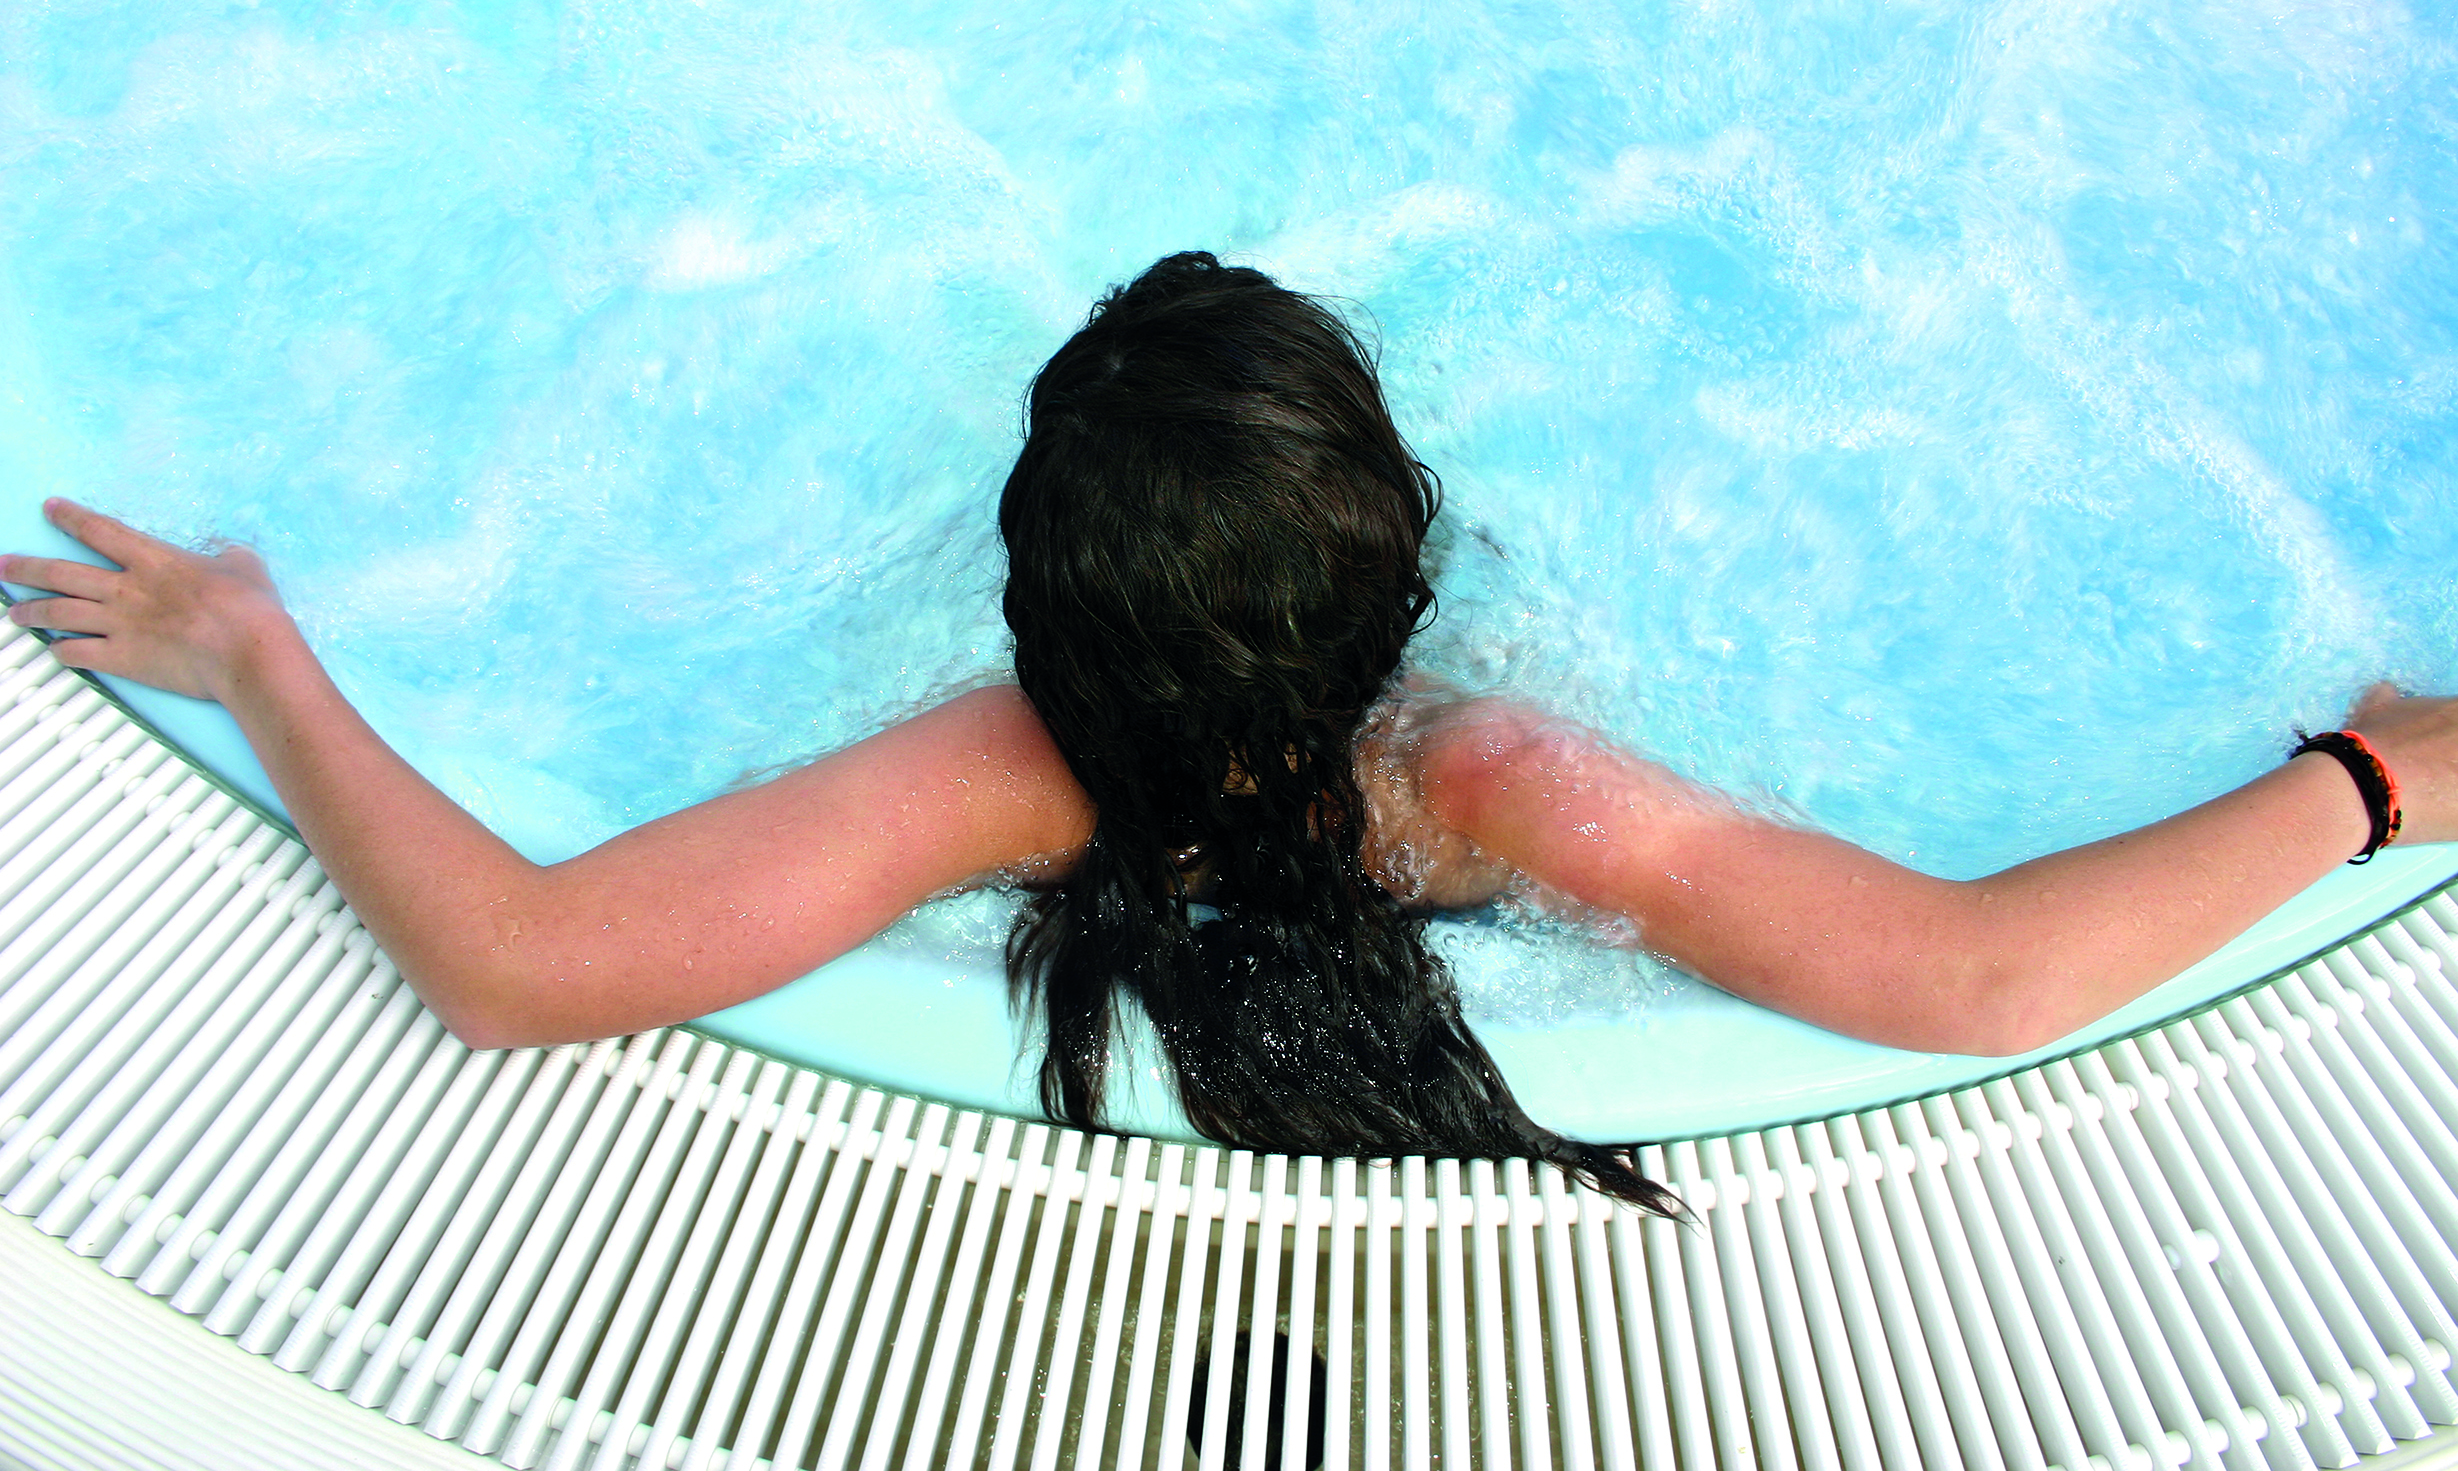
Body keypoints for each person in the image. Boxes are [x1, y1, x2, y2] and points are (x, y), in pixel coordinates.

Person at [5, 252, 2453, 1218]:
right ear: (1399, 563)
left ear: (1041, 595)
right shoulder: (1487, 777)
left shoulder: (996, 766)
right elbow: (1976, 983)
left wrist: (261, 656)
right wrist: (2365, 783)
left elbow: (518, 964)